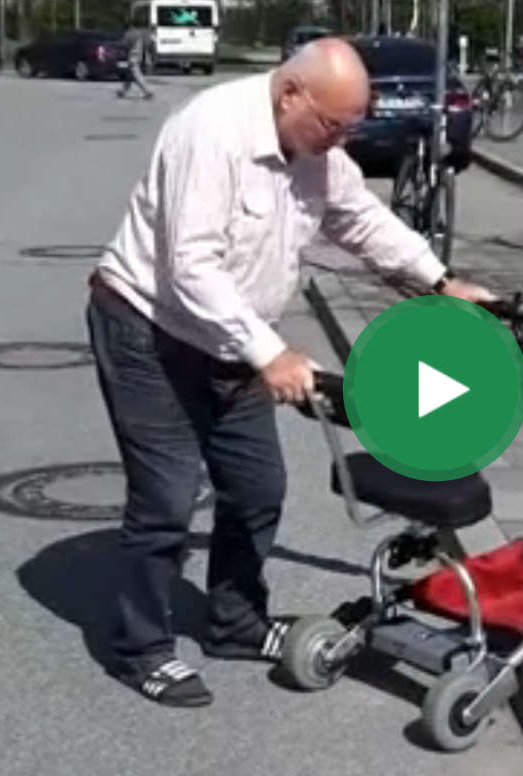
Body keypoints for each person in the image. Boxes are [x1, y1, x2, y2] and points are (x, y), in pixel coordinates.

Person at [86, 38, 496, 707]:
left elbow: (361, 219)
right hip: (149, 332)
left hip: (234, 341)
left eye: (352, 128)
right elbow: (190, 267)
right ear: (289, 95)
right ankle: (141, 648)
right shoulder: (210, 133)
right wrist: (268, 353)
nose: (341, 142)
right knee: (165, 502)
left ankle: (236, 624)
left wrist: (439, 279)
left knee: (256, 489)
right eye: (334, 125)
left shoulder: (318, 149)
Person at [117, 31, 154, 100]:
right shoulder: (141, 35)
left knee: (137, 75)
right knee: (129, 76)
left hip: (133, 58)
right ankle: (123, 91)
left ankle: (148, 91)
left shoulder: (130, 34)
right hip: (137, 57)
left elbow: (125, 45)